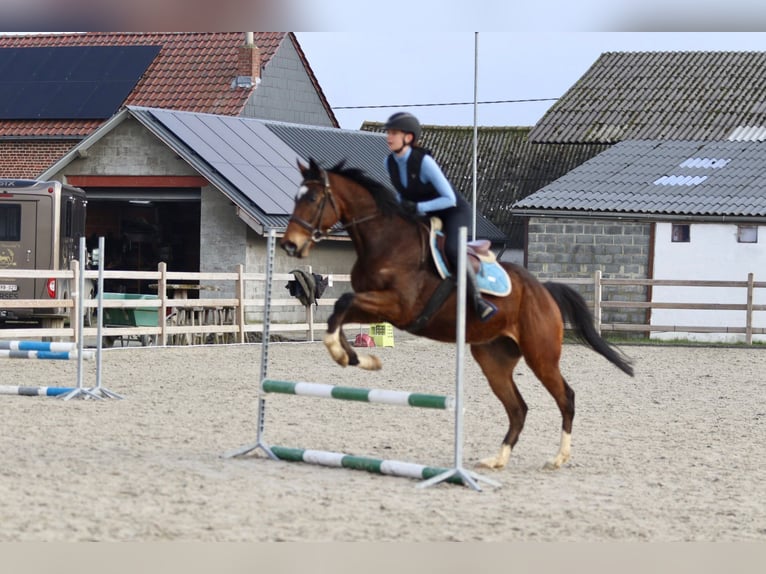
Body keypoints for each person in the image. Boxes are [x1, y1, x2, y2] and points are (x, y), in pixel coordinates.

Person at [383, 111, 497, 321]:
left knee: (453, 250)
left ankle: (478, 301)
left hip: (453, 212)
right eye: (388, 132)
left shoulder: (424, 162)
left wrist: (416, 207)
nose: (388, 137)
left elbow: (449, 198)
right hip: (426, 213)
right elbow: (401, 194)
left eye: (394, 133)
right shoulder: (389, 162)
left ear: (408, 137)